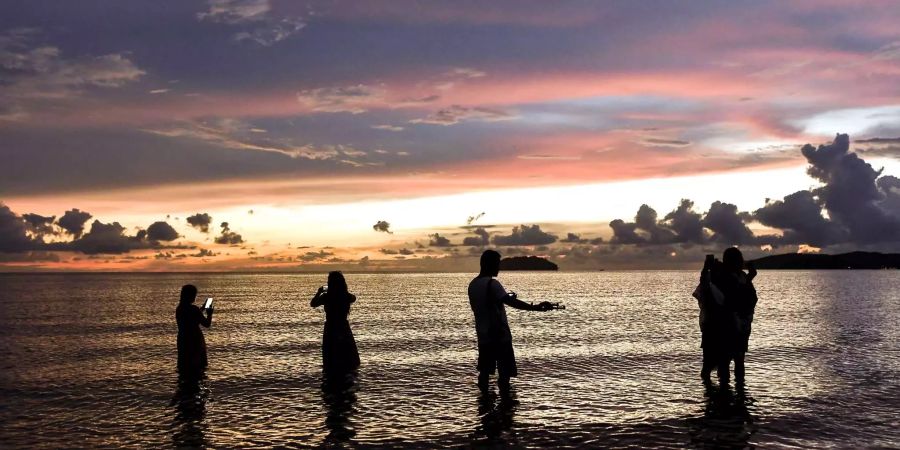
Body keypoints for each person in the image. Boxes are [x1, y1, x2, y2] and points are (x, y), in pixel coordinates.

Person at [468, 250, 554, 393]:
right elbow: (511, 303)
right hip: (500, 337)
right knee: (505, 375)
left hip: (483, 336)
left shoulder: (473, 285)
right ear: (488, 264)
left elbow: (488, 303)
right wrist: (536, 308)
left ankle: (484, 404)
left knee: (484, 373)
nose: (498, 268)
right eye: (496, 264)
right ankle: (505, 407)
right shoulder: (493, 284)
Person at [712, 247, 758, 385]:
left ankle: (735, 393)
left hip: (742, 323)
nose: (741, 263)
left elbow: (749, 296)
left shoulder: (740, 276)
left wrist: (749, 278)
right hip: (728, 323)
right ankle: (730, 394)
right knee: (727, 360)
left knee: (738, 359)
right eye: (739, 260)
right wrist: (749, 278)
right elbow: (733, 296)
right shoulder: (723, 276)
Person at [311, 271, 360, 374]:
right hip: (343, 327)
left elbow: (313, 303)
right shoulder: (345, 296)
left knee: (331, 357)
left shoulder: (326, 296)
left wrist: (319, 292)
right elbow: (354, 298)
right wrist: (343, 291)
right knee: (347, 355)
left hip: (331, 328)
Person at [176, 284, 213, 379]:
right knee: (198, 369)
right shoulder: (194, 310)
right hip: (195, 341)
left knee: (184, 367)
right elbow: (206, 324)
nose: (195, 297)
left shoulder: (179, 309)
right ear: (191, 295)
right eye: (194, 295)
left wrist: (202, 308)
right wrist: (209, 314)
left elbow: (193, 316)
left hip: (183, 340)